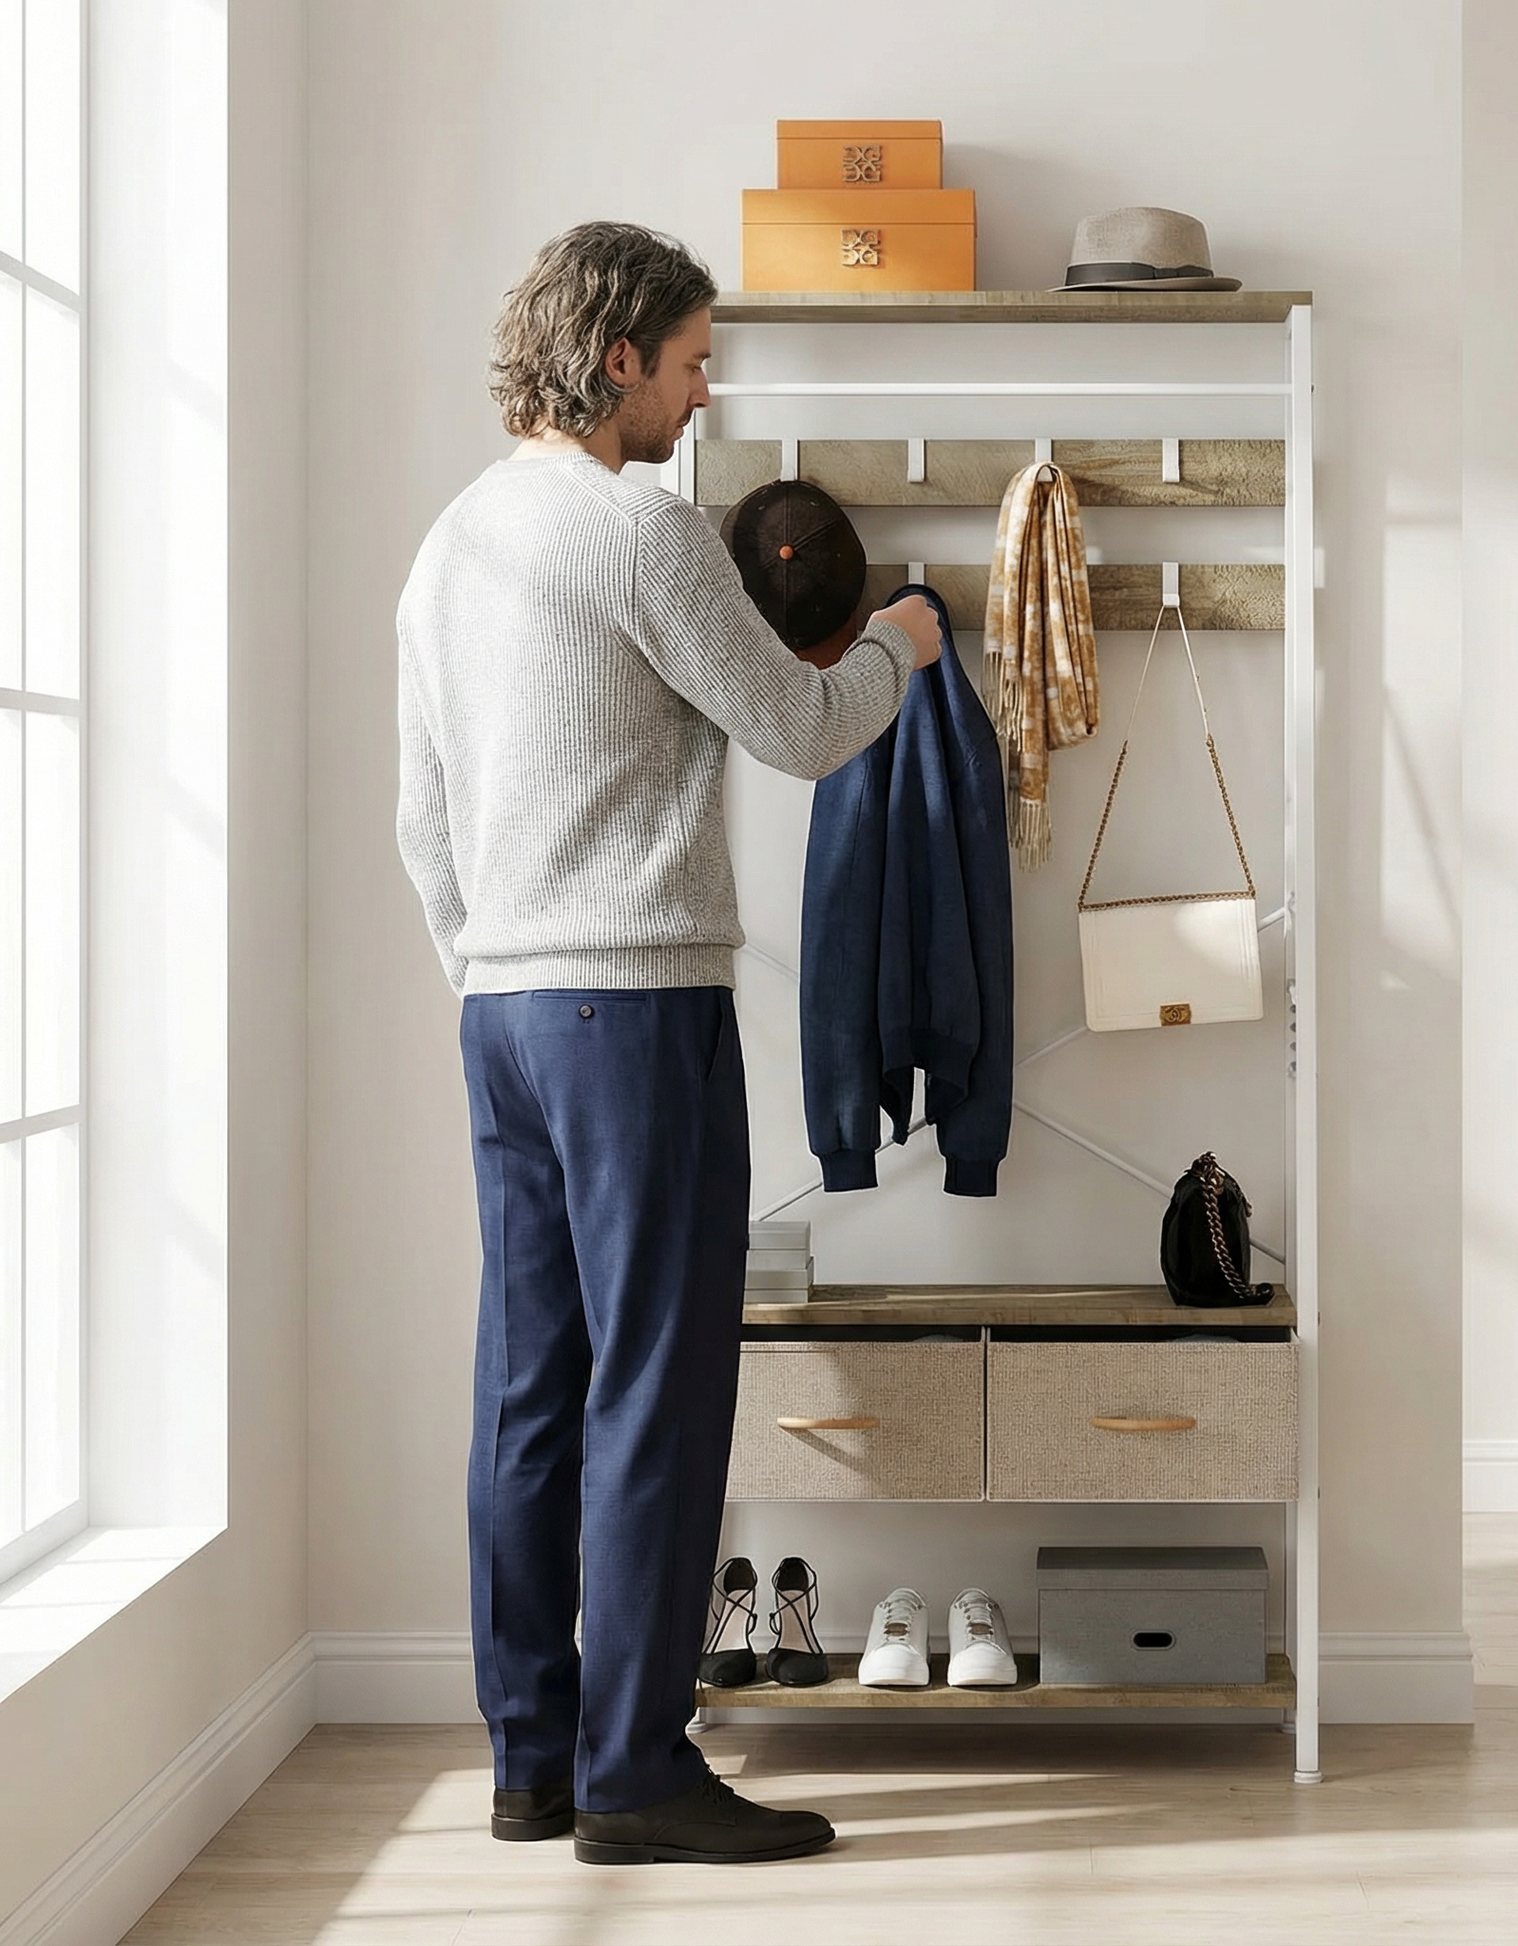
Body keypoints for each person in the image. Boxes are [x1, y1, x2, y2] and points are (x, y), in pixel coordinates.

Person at [394, 221, 942, 1866]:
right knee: (657, 1383)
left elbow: (420, 824)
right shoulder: (638, 533)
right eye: (695, 361)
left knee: (530, 1386)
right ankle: (636, 1773)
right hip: (632, 1011)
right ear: (616, 355)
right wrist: (900, 652)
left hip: (501, 1008)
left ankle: (532, 1758)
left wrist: (490, 978)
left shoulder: (450, 545)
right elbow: (797, 728)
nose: (708, 396)